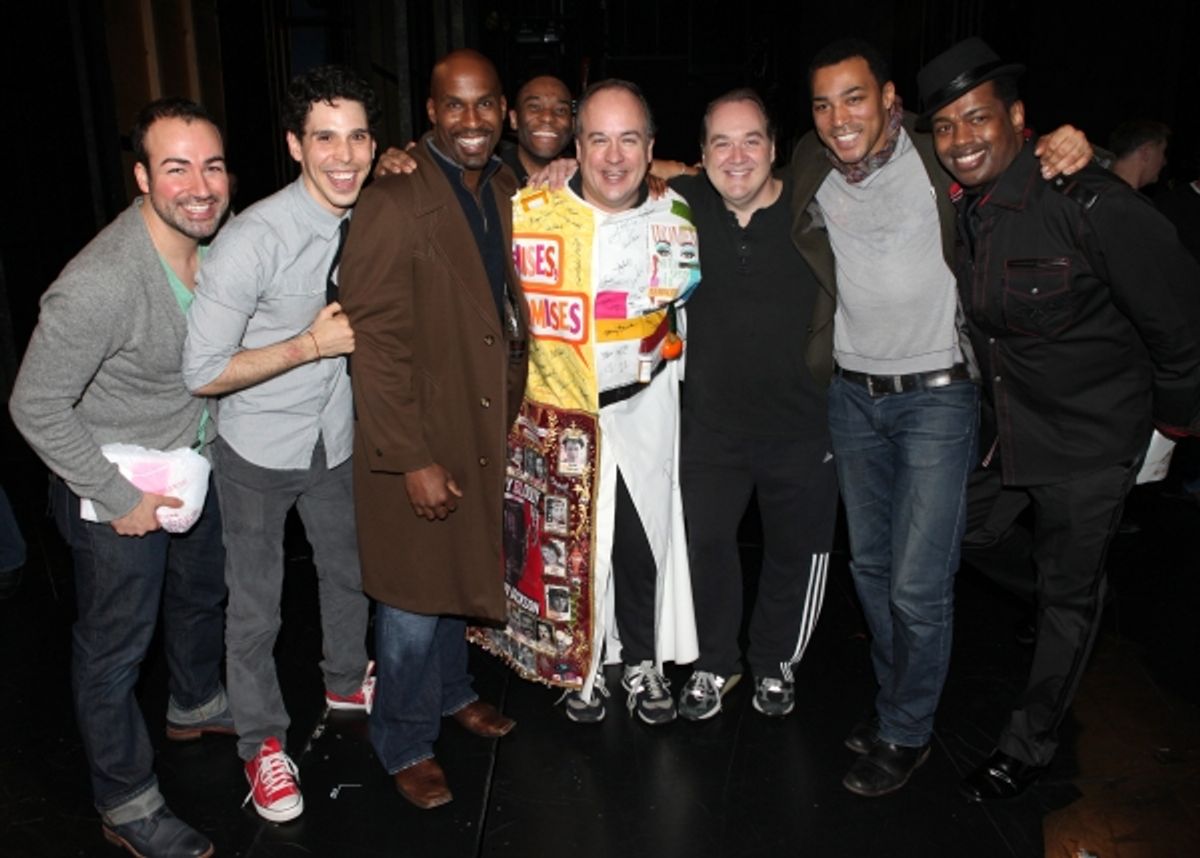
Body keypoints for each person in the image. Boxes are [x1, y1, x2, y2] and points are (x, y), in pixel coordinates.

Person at [787, 37, 1092, 797]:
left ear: (889, 97)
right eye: (823, 104)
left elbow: (1015, 153)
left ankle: (906, 730)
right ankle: (900, 703)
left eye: (854, 97)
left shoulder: (939, 151)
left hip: (938, 397)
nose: (839, 117)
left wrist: (1075, 141)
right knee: (872, 571)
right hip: (853, 398)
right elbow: (726, 168)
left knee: (918, 588)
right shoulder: (811, 162)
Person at [919, 36, 1200, 801]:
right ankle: (1066, 591)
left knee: (1068, 600)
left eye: (977, 119)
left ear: (1017, 119)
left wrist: (1173, 423)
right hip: (1012, 424)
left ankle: (1031, 742)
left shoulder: (1092, 201)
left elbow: (1179, 317)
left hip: (1089, 437)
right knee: (964, 531)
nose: (961, 139)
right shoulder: (969, 207)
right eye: (944, 127)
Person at [10, 97, 231, 858]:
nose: (199, 185)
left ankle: (195, 701)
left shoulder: (217, 243)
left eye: (212, 165)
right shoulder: (102, 281)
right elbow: (33, 403)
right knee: (114, 652)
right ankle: (126, 801)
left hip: (193, 466)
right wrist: (118, 499)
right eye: (176, 168)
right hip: (116, 489)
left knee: (201, 594)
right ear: (141, 177)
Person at [182, 65, 377, 823]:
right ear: (296, 146)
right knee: (256, 607)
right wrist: (308, 345)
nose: (344, 154)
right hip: (258, 451)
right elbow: (200, 372)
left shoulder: (367, 209)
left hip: (333, 436)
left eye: (358, 136)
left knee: (348, 570)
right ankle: (262, 746)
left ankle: (341, 680)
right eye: (324, 137)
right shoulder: (251, 241)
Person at [336, 49, 527, 810]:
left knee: (455, 570)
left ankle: (451, 693)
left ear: (503, 110)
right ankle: (404, 738)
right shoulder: (391, 199)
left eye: (485, 106)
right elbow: (373, 344)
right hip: (418, 428)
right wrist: (410, 456)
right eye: (456, 106)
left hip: (477, 418)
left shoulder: (507, 185)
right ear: (430, 112)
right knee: (413, 599)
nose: (472, 121)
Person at [511, 79, 700, 726]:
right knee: (574, 543)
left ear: (650, 148)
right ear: (576, 144)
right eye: (597, 138)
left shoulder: (676, 214)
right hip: (563, 411)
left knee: (643, 537)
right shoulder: (530, 212)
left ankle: (642, 659)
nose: (613, 156)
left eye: (628, 140)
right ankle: (583, 668)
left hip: (647, 402)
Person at [671, 90, 838, 721]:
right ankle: (716, 663)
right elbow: (619, 174)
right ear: (702, 155)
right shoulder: (683, 207)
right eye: (721, 142)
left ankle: (775, 663)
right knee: (704, 547)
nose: (736, 156)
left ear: (774, 148)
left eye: (750, 141)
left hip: (802, 427)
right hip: (711, 429)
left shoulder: (813, 208)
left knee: (797, 553)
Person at [375, 73, 573, 185]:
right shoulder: (484, 171)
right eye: (534, 107)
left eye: (561, 110)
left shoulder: (584, 176)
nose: (548, 117)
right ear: (512, 119)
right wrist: (393, 171)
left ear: (573, 124)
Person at [1107, 119, 1171, 190]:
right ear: (1146, 153)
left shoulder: (1097, 184)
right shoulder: (1124, 199)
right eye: (1162, 151)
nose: (1164, 162)